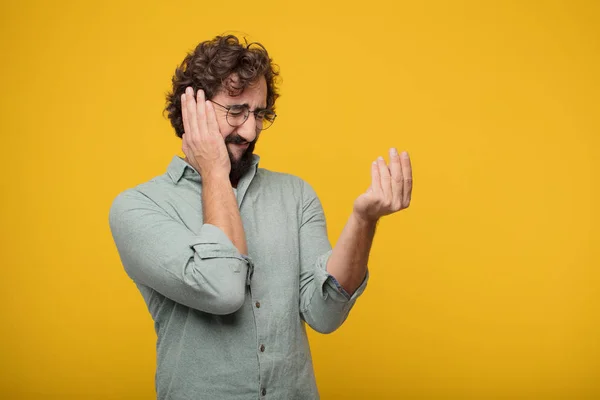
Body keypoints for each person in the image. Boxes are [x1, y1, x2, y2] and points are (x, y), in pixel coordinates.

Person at [109, 34, 413, 400]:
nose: (250, 131)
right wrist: (215, 173)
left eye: (259, 114)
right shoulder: (139, 207)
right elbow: (222, 289)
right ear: (194, 109)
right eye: (236, 111)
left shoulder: (296, 195)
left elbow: (324, 314)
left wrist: (363, 221)